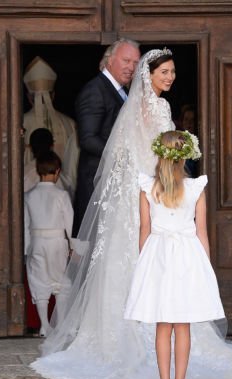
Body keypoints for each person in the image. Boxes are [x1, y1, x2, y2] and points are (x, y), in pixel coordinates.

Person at [30, 49, 232, 379]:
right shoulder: (149, 106)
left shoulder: (160, 106)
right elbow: (134, 150)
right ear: (150, 74)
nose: (170, 77)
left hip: (164, 187)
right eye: (165, 72)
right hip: (158, 190)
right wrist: (162, 180)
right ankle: (158, 367)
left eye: (174, 71)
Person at [124, 130, 225, 379]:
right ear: (184, 157)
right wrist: (205, 267)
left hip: (158, 255)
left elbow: (144, 232)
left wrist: (144, 265)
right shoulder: (195, 189)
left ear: (160, 155)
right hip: (187, 255)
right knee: (182, 325)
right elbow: (201, 232)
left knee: (163, 324)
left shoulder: (148, 188)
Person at [73, 38, 141, 236]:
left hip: (118, 183)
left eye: (135, 63)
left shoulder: (121, 91)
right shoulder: (95, 91)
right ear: (110, 60)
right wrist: (124, 156)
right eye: (126, 61)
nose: (131, 67)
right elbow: (88, 139)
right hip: (99, 183)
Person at [24, 150, 74, 337]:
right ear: (58, 171)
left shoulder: (29, 195)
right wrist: (71, 244)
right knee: (60, 281)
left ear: (37, 171)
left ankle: (45, 325)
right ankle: (59, 324)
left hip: (36, 241)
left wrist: (26, 248)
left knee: (39, 281)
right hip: (57, 242)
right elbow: (69, 222)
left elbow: (25, 224)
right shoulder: (62, 195)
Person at [23, 57, 79, 198]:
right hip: (62, 190)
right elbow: (74, 168)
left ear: (29, 97)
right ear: (53, 95)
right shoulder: (69, 123)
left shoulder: (18, 122)